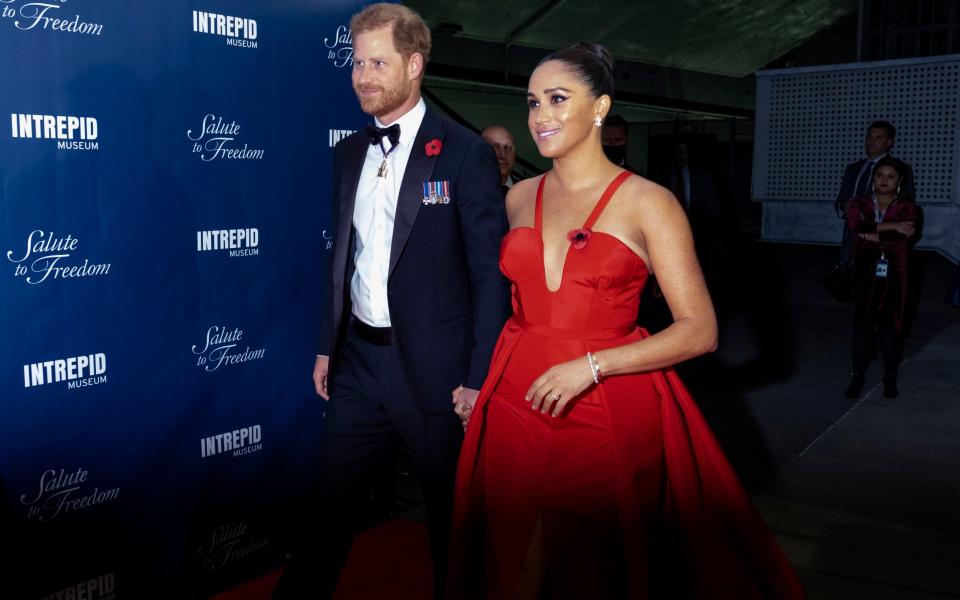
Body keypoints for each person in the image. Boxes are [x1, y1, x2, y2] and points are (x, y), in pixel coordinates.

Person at [448, 43, 804, 599]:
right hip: (516, 396)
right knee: (510, 545)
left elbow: (699, 329)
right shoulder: (518, 196)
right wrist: (479, 385)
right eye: (533, 101)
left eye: (558, 99)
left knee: (582, 560)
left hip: (603, 403)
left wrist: (591, 366)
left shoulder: (649, 203)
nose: (540, 115)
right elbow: (502, 302)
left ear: (600, 108)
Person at [274, 4, 510, 599]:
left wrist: (480, 376)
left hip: (438, 376)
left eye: (378, 63)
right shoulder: (348, 152)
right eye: (357, 63)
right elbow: (344, 261)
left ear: (415, 64)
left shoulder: (464, 153)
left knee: (450, 529)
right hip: (358, 366)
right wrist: (328, 347)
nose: (362, 76)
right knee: (326, 511)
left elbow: (490, 277)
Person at [844, 157, 918, 399]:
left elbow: (902, 238)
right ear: (873, 178)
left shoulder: (908, 207)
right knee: (862, 327)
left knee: (890, 328)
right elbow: (856, 226)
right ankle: (857, 376)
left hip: (896, 273)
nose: (884, 181)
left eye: (890, 176)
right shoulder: (858, 202)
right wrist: (892, 226)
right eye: (879, 175)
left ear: (899, 181)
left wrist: (872, 233)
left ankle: (890, 377)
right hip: (864, 272)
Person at [834, 121, 915, 265]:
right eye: (870, 136)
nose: (872, 141)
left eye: (878, 137)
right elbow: (841, 199)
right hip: (851, 237)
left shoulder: (900, 168)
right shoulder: (853, 168)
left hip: (881, 239)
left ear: (889, 142)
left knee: (880, 283)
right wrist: (844, 206)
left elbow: (905, 202)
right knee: (848, 280)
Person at [481, 124, 517, 197]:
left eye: (507, 147)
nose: (503, 155)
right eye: (494, 147)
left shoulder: (529, 191)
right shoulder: (462, 189)